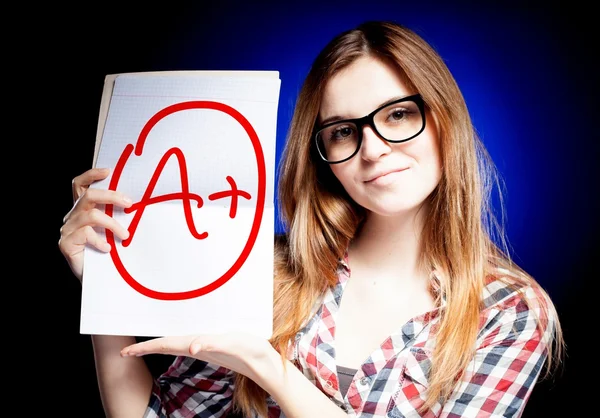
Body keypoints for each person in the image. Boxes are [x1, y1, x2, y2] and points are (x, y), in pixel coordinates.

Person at [59, 20, 565, 417]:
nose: (373, 149)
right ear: (322, 154)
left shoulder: (509, 312)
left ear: (442, 120)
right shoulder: (266, 275)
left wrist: (267, 366)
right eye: (344, 131)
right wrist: (106, 291)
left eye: (397, 115)